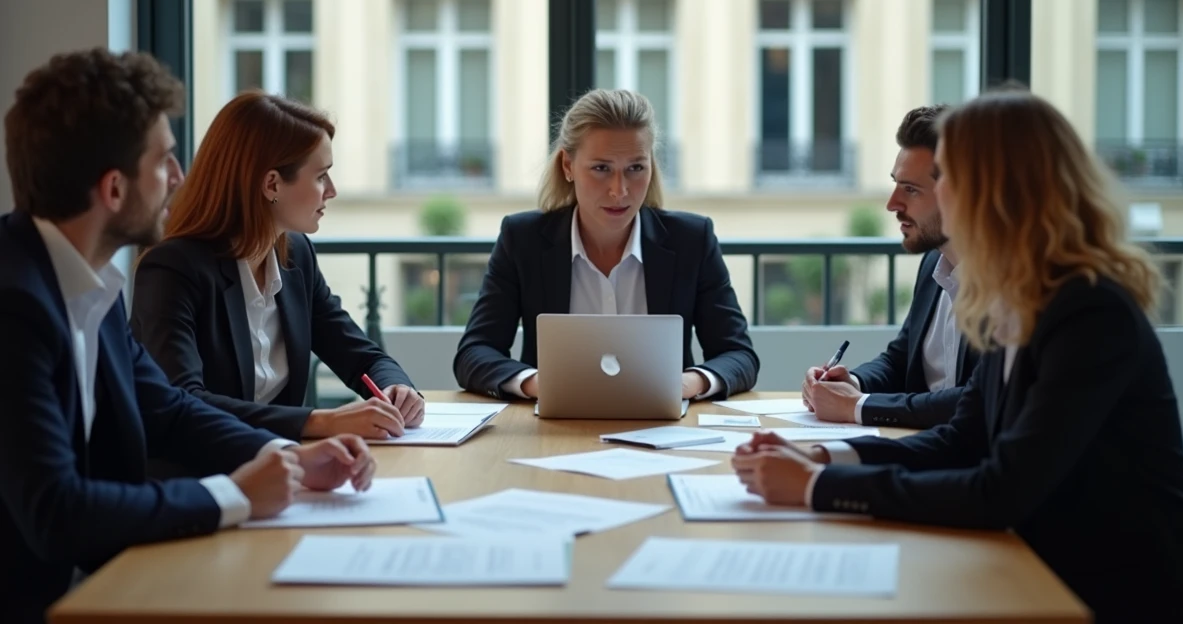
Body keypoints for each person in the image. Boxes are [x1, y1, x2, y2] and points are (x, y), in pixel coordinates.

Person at [733, 90, 1183, 622]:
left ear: (998, 191)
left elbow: (1001, 490)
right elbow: (963, 437)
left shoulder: (1088, 310)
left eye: (948, 175)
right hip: (1042, 564)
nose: (936, 193)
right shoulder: (1019, 293)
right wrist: (824, 457)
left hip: (1119, 590)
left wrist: (819, 487)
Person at [0, 49, 376, 623]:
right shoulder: (16, 304)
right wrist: (236, 495)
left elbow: (168, 408)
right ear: (115, 189)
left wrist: (289, 458)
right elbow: (57, 511)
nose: (179, 177)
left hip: (97, 580)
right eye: (165, 160)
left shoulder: (89, 281)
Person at [131, 92, 423, 443]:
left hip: (285, 468)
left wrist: (397, 387)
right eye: (321, 177)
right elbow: (184, 400)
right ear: (271, 184)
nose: (331, 191)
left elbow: (359, 354)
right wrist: (320, 422)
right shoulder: (174, 269)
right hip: (200, 477)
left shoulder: (296, 255)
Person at [454, 88, 758, 400]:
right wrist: (538, 384)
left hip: (664, 431)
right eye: (602, 169)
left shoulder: (691, 240)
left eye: (635, 168)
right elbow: (474, 354)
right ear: (567, 166)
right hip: (554, 429)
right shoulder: (523, 239)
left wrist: (686, 385)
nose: (620, 190)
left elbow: (739, 356)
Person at [802, 105, 983, 429]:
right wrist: (853, 383)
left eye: (911, 190)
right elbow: (900, 360)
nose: (892, 204)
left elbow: (975, 400)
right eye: (895, 184)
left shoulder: (1011, 284)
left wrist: (858, 406)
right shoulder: (934, 264)